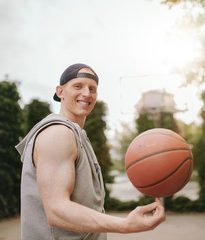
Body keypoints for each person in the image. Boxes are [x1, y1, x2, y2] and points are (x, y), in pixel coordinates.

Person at [16, 63, 165, 240]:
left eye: (92, 88)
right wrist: (125, 225)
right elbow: (57, 210)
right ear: (60, 92)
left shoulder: (77, 135)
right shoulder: (57, 133)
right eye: (78, 86)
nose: (86, 93)